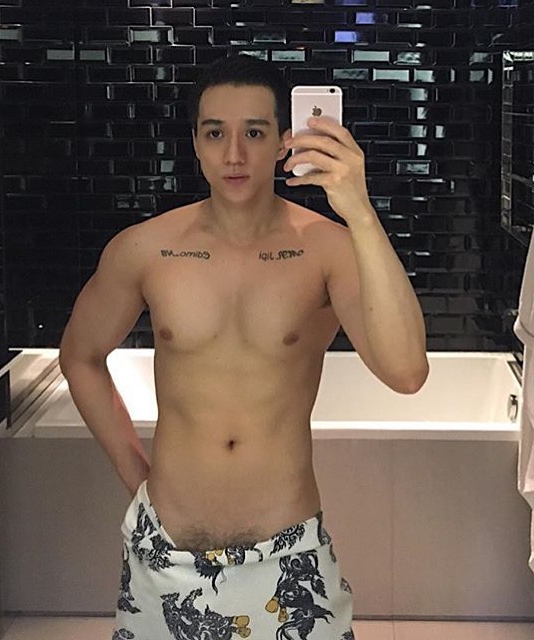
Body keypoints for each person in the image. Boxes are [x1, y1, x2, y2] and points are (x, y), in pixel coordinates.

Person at [59, 54, 428, 640]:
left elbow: (406, 372)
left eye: (254, 133)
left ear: (284, 142)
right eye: (215, 133)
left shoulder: (326, 250)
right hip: (165, 557)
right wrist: (139, 480)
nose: (234, 155)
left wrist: (358, 210)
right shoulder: (146, 249)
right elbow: (80, 357)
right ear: (195, 143)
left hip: (290, 557)